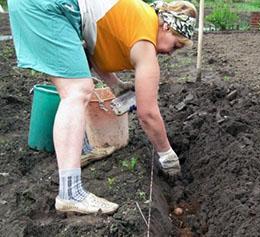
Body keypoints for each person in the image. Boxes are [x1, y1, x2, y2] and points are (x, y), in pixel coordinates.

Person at [8, 0, 197, 215]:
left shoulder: (136, 18)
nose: (172, 52)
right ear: (166, 26)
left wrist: (116, 85)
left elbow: (89, 53)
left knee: (77, 87)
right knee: (77, 90)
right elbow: (148, 114)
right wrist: (166, 154)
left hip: (43, 6)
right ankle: (70, 192)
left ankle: (81, 151)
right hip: (50, 6)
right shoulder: (145, 42)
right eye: (176, 45)